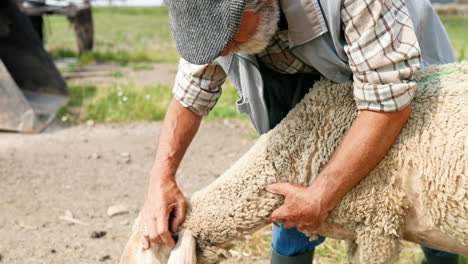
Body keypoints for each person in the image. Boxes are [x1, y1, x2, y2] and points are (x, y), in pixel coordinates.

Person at [139, 0, 460, 263]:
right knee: (289, 199)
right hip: (303, 82)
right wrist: (160, 180)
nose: (221, 53)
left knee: (431, 196)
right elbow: (190, 95)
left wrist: (321, 195)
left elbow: (388, 104)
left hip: (400, 74)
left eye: (230, 41)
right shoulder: (211, 24)